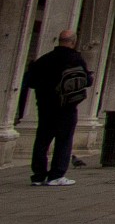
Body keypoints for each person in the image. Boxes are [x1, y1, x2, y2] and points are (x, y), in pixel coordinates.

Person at [17, 29, 92, 187]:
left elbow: (30, 82)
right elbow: (87, 80)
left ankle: (38, 176)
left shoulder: (45, 59)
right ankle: (56, 175)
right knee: (63, 141)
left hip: (46, 107)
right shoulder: (76, 59)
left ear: (59, 41)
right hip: (67, 107)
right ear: (73, 42)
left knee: (42, 140)